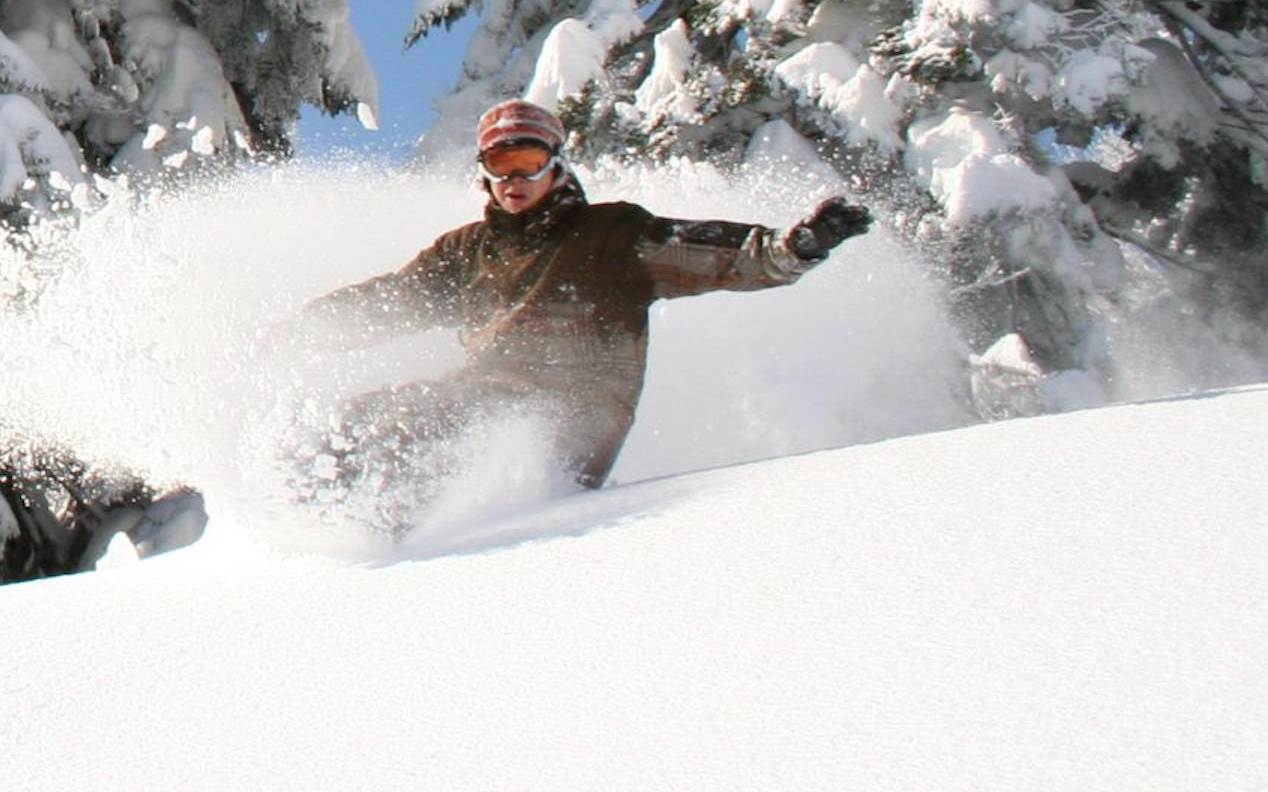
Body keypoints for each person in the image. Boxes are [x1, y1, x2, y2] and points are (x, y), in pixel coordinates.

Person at [295, 99, 872, 518]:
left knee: (428, 427)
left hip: (577, 411)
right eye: (500, 164)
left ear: (555, 165)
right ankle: (332, 537)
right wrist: (296, 335)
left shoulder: (612, 235)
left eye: (527, 160)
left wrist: (796, 245)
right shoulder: (470, 252)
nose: (514, 178)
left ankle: (404, 527)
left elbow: (714, 253)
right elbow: (386, 302)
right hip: (481, 396)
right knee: (352, 423)